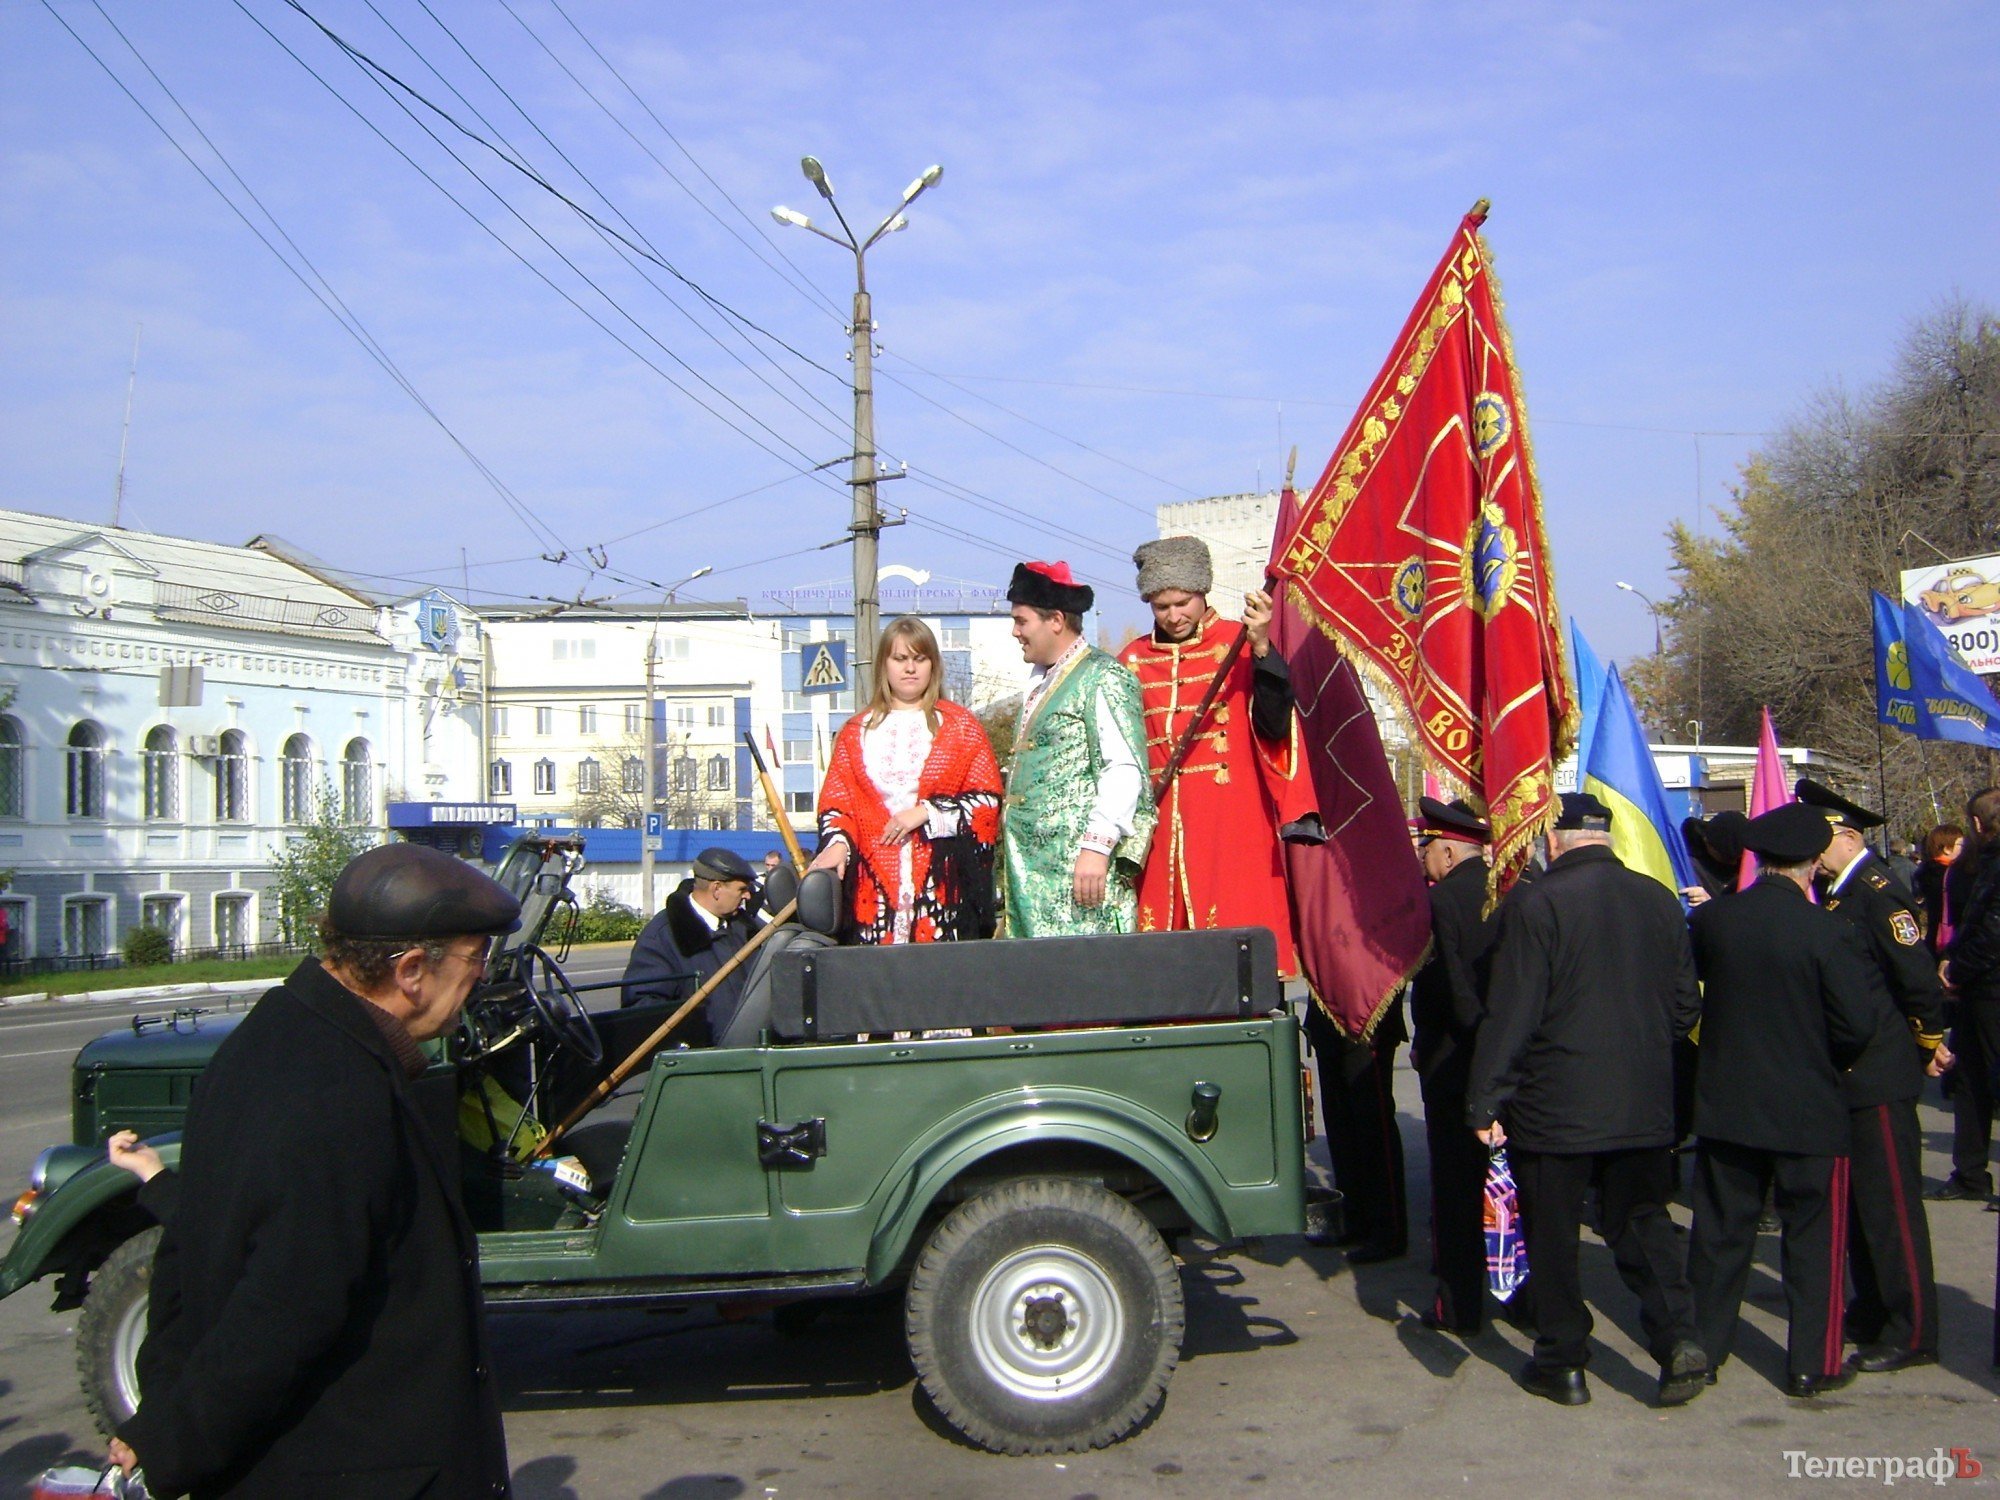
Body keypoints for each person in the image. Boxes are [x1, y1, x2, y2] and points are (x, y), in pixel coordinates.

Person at [111, 843, 519, 1498]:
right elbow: (285, 1309)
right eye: (477, 960)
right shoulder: (343, 1093)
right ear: (412, 970)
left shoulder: (270, 1037)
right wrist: (169, 1443)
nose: (481, 979)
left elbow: (187, 1248)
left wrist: (161, 1406)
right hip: (355, 1472)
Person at [1466, 793, 1706, 1408]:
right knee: (1644, 1220)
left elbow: (1513, 1013)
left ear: (1553, 841)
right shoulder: (1657, 899)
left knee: (1552, 1235)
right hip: (1643, 1100)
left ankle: (1562, 1361)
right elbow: (1685, 1008)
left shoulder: (1538, 903)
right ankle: (1678, 1338)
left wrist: (1485, 1101)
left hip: (1556, 1105)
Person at [1686, 803, 1888, 1399]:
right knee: (1813, 1240)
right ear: (1811, 864)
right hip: (1809, 1106)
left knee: (1719, 1235)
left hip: (1729, 1101)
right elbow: (1856, 1023)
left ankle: (1706, 1347)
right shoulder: (1828, 930)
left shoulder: (1716, 921)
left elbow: (1688, 997)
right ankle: (1812, 1362)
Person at [1797, 778, 1949, 1374]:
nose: (1815, 849)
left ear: (1849, 836)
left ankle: (1913, 1327)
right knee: (1862, 1202)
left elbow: (1914, 980)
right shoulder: (1840, 890)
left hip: (1881, 1069)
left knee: (1891, 1206)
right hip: (1853, 1071)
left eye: (1823, 838)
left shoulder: (1878, 891)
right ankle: (1872, 1305)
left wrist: (1926, 1044)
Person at [1115, 536, 1313, 970]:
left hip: (1232, 821)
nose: (1174, 616)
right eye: (1161, 606)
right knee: (1163, 964)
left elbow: (1275, 725)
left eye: (1182, 602)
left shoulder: (1239, 642)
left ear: (1202, 592)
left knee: (1237, 952)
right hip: (1159, 828)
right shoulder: (1130, 659)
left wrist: (1262, 649)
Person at [811, 617, 1003, 943]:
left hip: (943, 887)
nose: (910, 668)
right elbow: (838, 804)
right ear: (883, 665)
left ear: (933, 665)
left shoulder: (960, 727)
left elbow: (988, 802)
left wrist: (929, 812)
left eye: (920, 658)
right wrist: (837, 844)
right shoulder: (855, 732)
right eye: (900, 659)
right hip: (871, 889)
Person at [997, 560, 1155, 936]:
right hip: (1038, 874)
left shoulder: (1104, 676)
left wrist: (1097, 847)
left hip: (1078, 874)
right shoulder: (1042, 681)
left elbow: (1122, 766)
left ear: (1055, 619)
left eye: (1021, 621)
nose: (1015, 632)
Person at [1408, 797, 1502, 1330]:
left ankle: (1460, 1303)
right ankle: (1527, 1297)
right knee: (1515, 1184)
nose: (1423, 858)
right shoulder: (1513, 891)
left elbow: (1449, 990)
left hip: (1456, 1060)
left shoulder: (1444, 902)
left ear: (1446, 850)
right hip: (1512, 1058)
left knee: (1457, 1186)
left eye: (1426, 848)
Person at [620, 847, 763, 1044]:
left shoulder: (747, 928)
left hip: (753, 1053)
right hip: (702, 1063)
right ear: (717, 889)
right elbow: (643, 1011)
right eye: (742, 889)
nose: (748, 896)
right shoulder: (663, 937)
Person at [1938, 786, 2000, 1205]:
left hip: (1991, 987)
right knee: (1969, 1080)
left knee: (1984, 1078)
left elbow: (1994, 930)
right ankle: (1970, 1173)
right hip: (1980, 987)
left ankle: (1972, 1171)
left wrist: (1958, 968)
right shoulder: (1984, 863)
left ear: (1977, 825)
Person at [1915, 823, 1964, 955]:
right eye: (1961, 845)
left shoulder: (1928, 872)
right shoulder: (1949, 875)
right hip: (1949, 941)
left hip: (1935, 939)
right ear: (1947, 849)